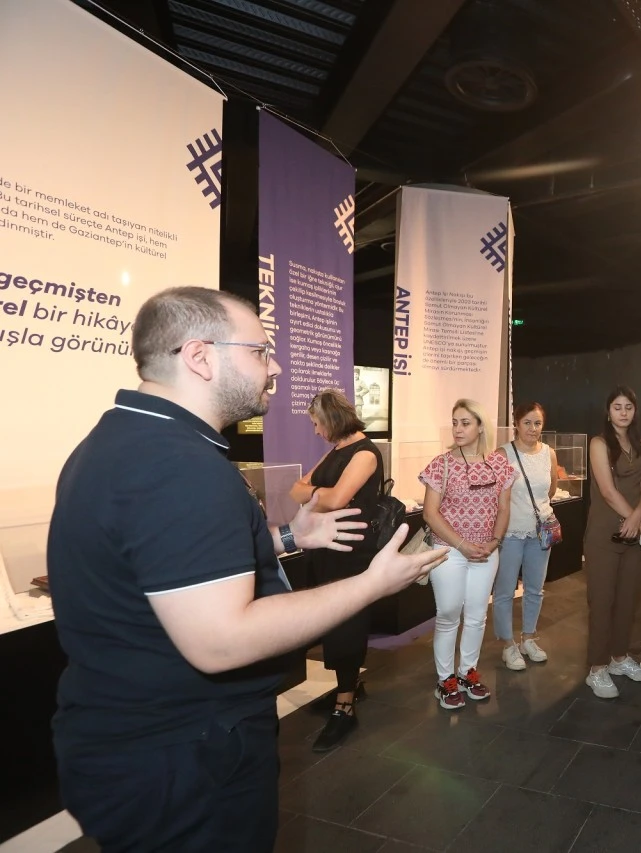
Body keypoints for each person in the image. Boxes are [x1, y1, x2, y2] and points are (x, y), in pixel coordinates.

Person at [47, 287, 446, 852]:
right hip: (185, 759)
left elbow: (175, 571)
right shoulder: (178, 465)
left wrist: (289, 537)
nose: (275, 367)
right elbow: (222, 641)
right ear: (200, 357)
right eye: (260, 352)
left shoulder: (129, 438)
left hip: (143, 746)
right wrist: (370, 585)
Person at [287, 388, 383, 751]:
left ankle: (345, 706)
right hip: (327, 547)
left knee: (347, 625)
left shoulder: (365, 453)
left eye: (317, 423)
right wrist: (319, 495)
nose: (316, 431)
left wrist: (315, 494)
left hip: (351, 552)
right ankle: (349, 685)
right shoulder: (339, 450)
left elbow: (336, 498)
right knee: (332, 622)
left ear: (331, 419)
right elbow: (295, 490)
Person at [420, 399, 516, 710]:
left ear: (480, 426)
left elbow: (503, 508)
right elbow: (430, 513)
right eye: (455, 422)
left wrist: (494, 541)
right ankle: (445, 680)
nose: (458, 429)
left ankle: (467, 673)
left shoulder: (499, 464)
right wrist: (462, 544)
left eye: (465, 423)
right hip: (448, 549)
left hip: (486, 551)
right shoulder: (442, 464)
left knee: (476, 615)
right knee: (448, 612)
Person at [583, 387, 641, 698]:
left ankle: (618, 658)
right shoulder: (599, 443)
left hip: (632, 531)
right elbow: (607, 491)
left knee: (627, 600)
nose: (624, 412)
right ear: (608, 411)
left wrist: (638, 519)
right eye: (617, 407)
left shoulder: (640, 444)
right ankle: (597, 668)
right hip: (604, 533)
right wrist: (640, 524)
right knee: (602, 602)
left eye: (629, 406)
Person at [495, 402, 560, 671]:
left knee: (535, 588)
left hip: (540, 532)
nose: (533, 428)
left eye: (537, 423)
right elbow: (494, 496)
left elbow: (551, 490)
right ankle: (508, 645)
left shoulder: (549, 453)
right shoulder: (503, 454)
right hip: (510, 533)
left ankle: (529, 638)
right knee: (505, 591)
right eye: (527, 423)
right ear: (516, 424)